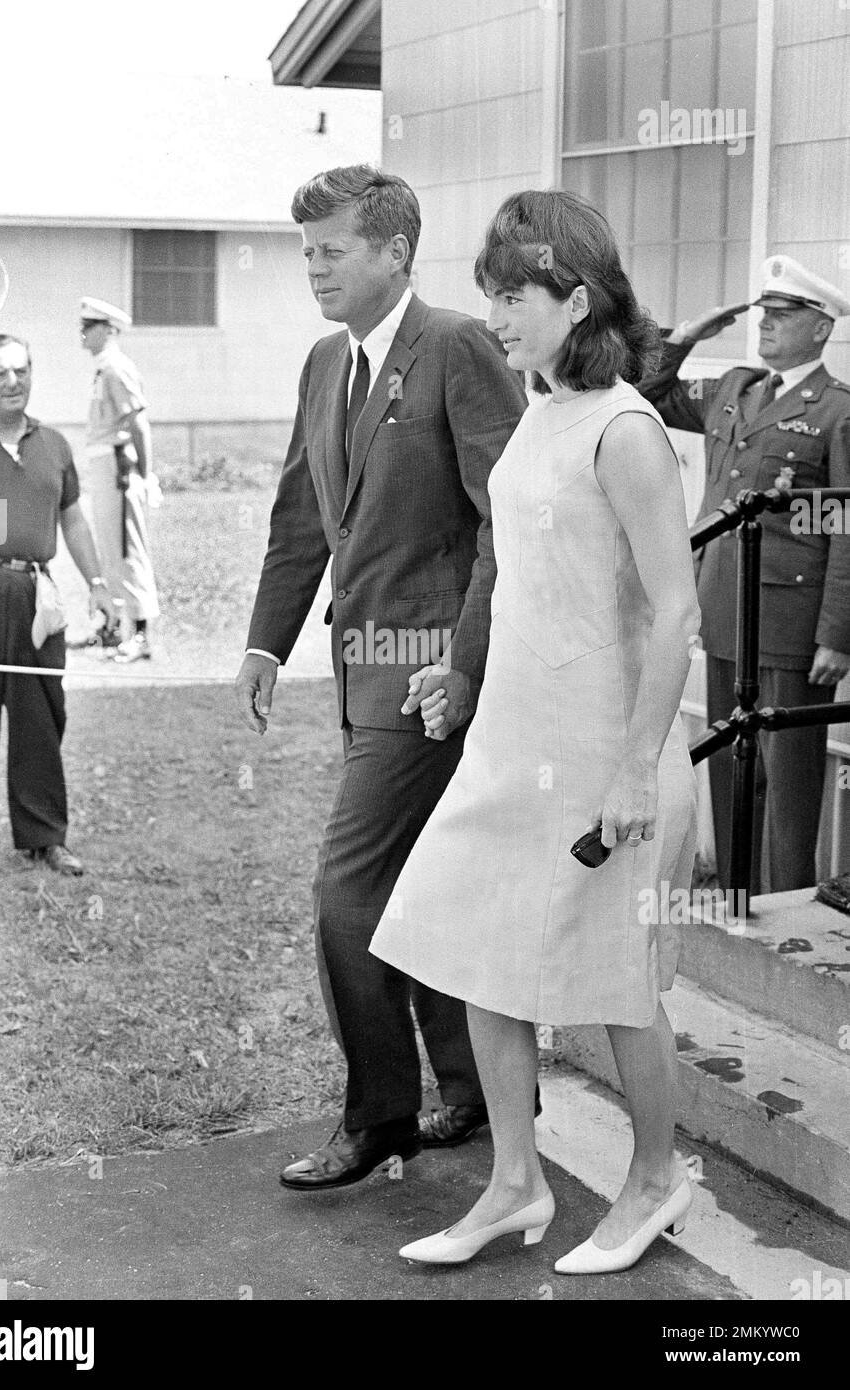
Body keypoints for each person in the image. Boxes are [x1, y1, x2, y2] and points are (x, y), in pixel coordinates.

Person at [370, 189, 700, 1274]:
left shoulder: (625, 428)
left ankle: (654, 1182)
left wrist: (637, 770)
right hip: (512, 735)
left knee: (614, 979)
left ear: (577, 295)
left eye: (513, 296)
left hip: (608, 747)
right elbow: (513, 570)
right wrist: (459, 682)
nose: (497, 316)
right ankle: (516, 1182)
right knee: (468, 941)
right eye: (492, 296)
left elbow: (676, 611)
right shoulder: (540, 407)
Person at [236, 164, 528, 1190]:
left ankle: (379, 1115)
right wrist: (266, 642)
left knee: (345, 890)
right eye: (305, 252)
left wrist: (463, 658)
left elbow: (509, 520)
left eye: (331, 250)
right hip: (363, 677)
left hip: (431, 682)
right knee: (418, 881)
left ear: (394, 250)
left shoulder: (453, 347)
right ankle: (477, 1088)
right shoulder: (324, 363)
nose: (312, 269)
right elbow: (303, 519)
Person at [641, 256, 850, 892]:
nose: (766, 326)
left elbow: (844, 525)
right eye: (764, 314)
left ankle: (785, 902)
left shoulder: (836, 411)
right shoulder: (735, 387)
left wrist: (838, 633)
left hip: (791, 619)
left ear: (821, 329)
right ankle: (738, 896)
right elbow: (647, 394)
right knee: (734, 761)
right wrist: (684, 339)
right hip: (725, 602)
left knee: (788, 774)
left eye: (784, 316)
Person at [0, 334, 115, 873]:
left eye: (22, 370)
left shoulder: (54, 445)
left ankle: (44, 834)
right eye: (0, 373)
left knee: (41, 711)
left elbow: (73, 519)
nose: (13, 381)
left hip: (34, 593)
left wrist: (99, 583)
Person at [79, 296, 160, 663]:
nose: (82, 333)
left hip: (119, 467)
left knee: (128, 550)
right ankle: (112, 627)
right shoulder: (102, 368)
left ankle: (141, 635)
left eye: (89, 326)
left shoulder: (116, 368)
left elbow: (137, 423)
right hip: (103, 465)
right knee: (109, 550)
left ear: (109, 330)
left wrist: (146, 475)